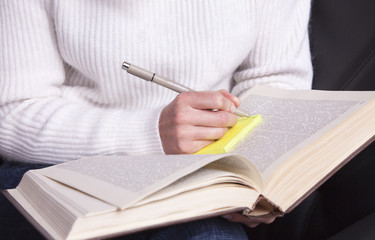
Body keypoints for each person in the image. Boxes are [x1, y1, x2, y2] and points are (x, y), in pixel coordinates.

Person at [0, 0, 312, 239]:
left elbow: (276, 79)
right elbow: (12, 112)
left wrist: (257, 179)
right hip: (60, 163)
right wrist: (151, 134)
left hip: (203, 166)